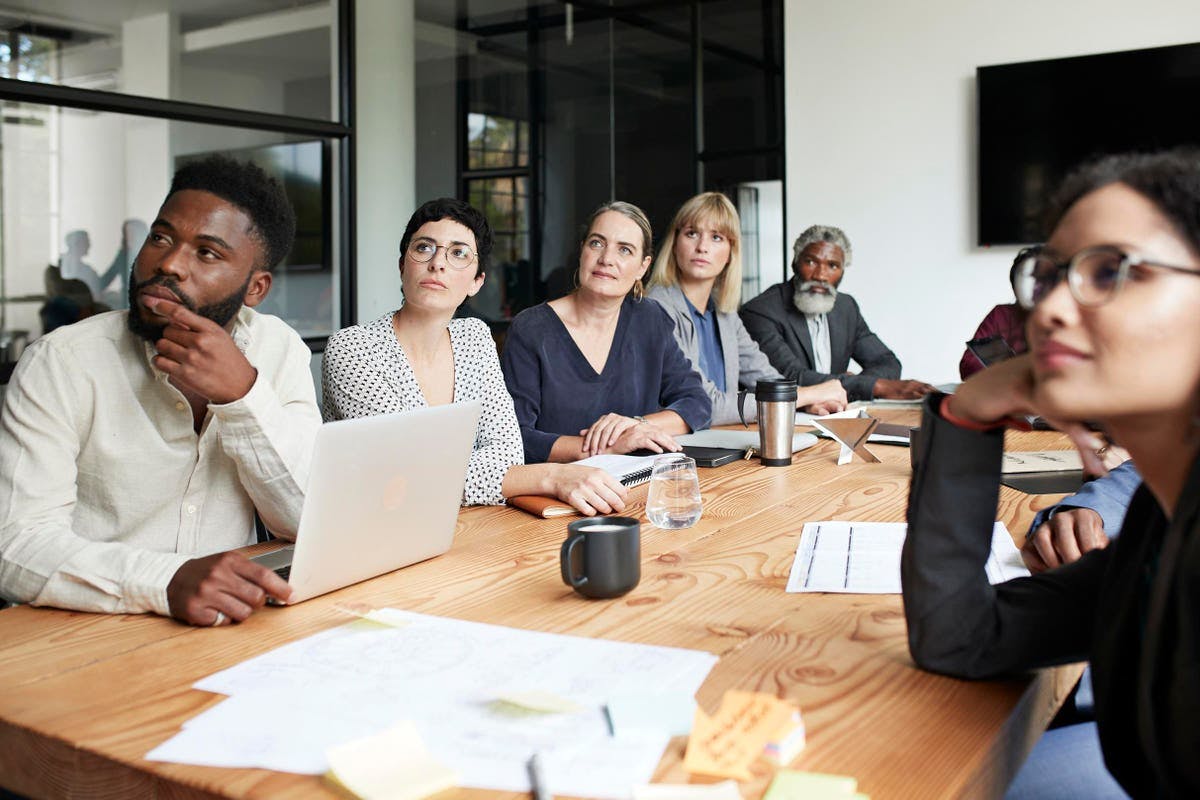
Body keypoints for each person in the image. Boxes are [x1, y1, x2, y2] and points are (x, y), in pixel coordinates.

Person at [901, 149, 1200, 797]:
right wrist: (963, 415)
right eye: (1052, 275)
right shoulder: (1159, 522)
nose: (1052, 310)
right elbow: (960, 641)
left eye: (1111, 269)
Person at [0, 155, 319, 626]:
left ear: (256, 288)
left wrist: (242, 397)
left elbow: (307, 518)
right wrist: (165, 580)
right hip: (88, 631)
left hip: (232, 626)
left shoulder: (279, 350)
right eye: (161, 237)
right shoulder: (61, 362)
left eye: (207, 253)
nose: (168, 264)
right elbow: (16, 545)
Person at [322, 198, 628, 516]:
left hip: (469, 525)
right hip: (374, 535)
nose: (437, 263)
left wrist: (455, 471)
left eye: (458, 253)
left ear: (476, 282)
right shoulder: (353, 350)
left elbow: (508, 453)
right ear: (402, 265)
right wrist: (551, 476)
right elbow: (409, 480)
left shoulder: (474, 338)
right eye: (424, 248)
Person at [501, 201, 711, 463]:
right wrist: (606, 447)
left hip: (636, 483)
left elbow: (697, 402)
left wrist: (636, 425)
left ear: (643, 267)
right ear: (582, 251)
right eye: (597, 243)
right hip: (557, 489)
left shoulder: (650, 319)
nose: (606, 259)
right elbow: (514, 437)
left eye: (624, 250)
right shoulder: (531, 329)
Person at [646, 192, 847, 425]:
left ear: (731, 252)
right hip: (672, 451)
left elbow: (765, 377)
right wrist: (809, 394)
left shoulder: (724, 313)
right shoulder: (656, 308)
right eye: (692, 233)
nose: (702, 247)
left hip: (720, 442)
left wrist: (805, 401)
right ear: (675, 242)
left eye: (717, 237)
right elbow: (704, 404)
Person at [740, 225, 934, 401]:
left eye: (832, 266)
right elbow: (792, 377)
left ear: (842, 271)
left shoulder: (846, 307)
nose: (821, 276)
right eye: (811, 262)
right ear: (795, 264)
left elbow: (887, 361)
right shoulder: (761, 311)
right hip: (788, 418)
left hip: (835, 415)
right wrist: (873, 385)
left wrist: (853, 382)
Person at [959, 247, 1036, 379]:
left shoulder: (1065, 318)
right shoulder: (1001, 315)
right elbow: (968, 364)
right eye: (1024, 280)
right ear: (1014, 287)